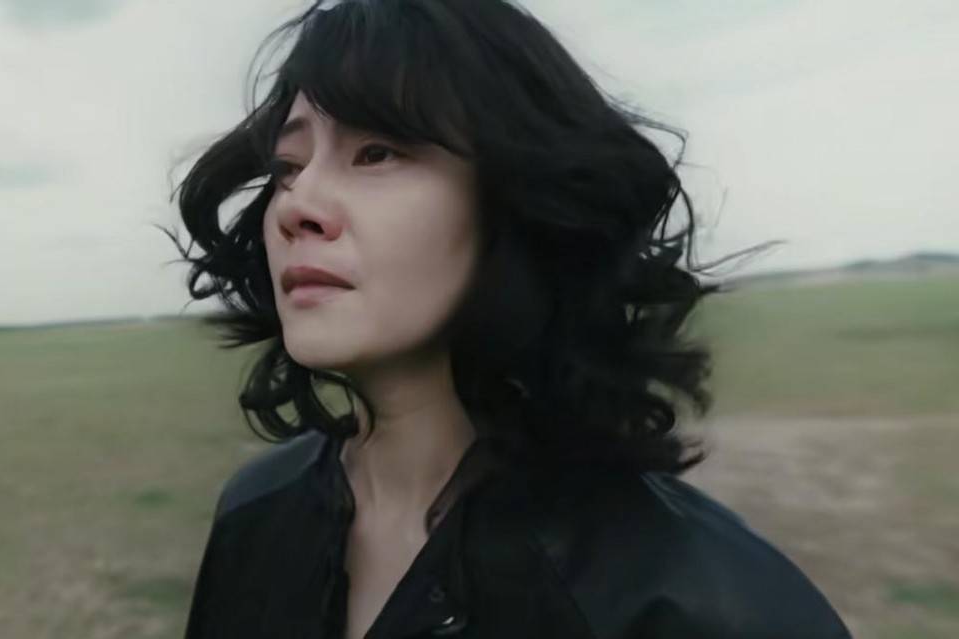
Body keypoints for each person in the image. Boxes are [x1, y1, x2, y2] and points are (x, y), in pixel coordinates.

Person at [162, 0, 853, 637]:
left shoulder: (693, 604)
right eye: (288, 166)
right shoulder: (256, 513)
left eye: (376, 152)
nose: (294, 205)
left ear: (514, 195)